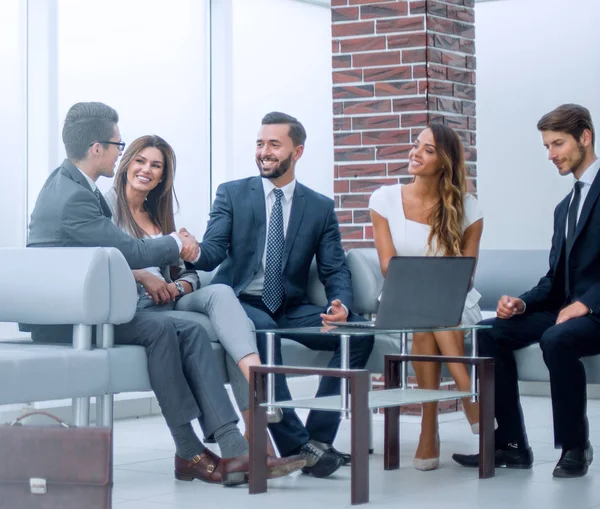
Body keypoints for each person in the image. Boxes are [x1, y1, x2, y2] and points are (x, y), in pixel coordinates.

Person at [25, 102, 303, 486]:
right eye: (120, 148)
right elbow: (130, 253)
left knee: (195, 322)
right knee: (167, 330)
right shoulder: (79, 197)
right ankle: (195, 450)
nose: (123, 157)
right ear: (97, 149)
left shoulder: (70, 185)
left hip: (93, 305)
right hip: (73, 317)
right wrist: (175, 243)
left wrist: (179, 270)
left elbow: (109, 256)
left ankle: (232, 446)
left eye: (154, 164)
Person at [190, 111, 375, 478]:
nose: (264, 151)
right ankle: (296, 446)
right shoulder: (232, 193)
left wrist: (341, 303)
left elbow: (334, 267)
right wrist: (191, 251)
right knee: (264, 336)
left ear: (297, 151)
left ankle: (318, 441)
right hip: (242, 302)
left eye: (274, 144)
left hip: (290, 306)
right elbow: (211, 251)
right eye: (260, 143)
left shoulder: (319, 207)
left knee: (356, 335)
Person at [453, 104, 600, 478]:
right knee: (490, 335)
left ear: (585, 137)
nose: (551, 154)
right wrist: (521, 302)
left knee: (557, 338)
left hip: (593, 311)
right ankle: (513, 446)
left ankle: (575, 446)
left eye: (557, 143)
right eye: (547, 146)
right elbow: (555, 278)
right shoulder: (565, 207)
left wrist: (586, 303)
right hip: (566, 310)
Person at [104, 134, 273, 453]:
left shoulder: (159, 216)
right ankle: (255, 437)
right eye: (140, 161)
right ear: (126, 164)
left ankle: (255, 424)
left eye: (156, 165)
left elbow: (190, 274)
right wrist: (141, 276)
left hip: (172, 301)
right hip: (138, 308)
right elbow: (100, 261)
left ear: (163, 175)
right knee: (236, 332)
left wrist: (179, 285)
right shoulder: (108, 210)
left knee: (222, 295)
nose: (147, 170)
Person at [369, 123, 484, 471]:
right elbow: (390, 268)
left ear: (445, 162)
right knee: (427, 314)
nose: (415, 153)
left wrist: (434, 283)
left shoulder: (468, 208)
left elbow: (464, 277)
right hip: (403, 297)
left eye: (428, 150)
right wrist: (430, 279)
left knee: (430, 320)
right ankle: (470, 398)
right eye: (417, 145)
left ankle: (428, 429)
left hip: (455, 302)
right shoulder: (384, 200)